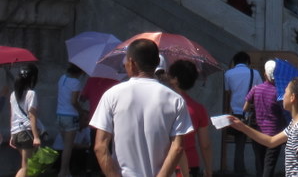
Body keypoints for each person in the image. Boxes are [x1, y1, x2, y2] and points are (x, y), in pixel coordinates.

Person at [90, 39, 192, 177]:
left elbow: (100, 146)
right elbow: (178, 147)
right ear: (157, 62)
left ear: (131, 63)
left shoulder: (111, 95)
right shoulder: (175, 100)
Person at [229, 76, 298, 177]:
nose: (282, 96)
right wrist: (242, 127)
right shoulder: (297, 124)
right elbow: (271, 141)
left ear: (293, 97)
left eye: (285, 92)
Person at [166, 60, 213, 177]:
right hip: (191, 163)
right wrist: (208, 169)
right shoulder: (198, 108)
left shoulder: (163, 105)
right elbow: (205, 144)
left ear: (175, 79)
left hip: (165, 163)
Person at [244, 60, 287, 177]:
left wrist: (256, 106)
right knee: (269, 166)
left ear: (265, 74)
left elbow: (245, 108)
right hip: (275, 134)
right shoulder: (279, 92)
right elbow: (284, 111)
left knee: (259, 164)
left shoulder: (255, 89)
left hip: (257, 133)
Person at [224, 51, 263, 176]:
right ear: (247, 62)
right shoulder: (255, 73)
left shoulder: (228, 74)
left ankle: (239, 171)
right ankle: (260, 171)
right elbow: (260, 92)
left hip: (235, 113)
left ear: (235, 62)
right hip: (251, 114)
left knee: (239, 144)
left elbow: (227, 93)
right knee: (257, 144)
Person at [10, 62, 41, 177]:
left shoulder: (13, 94)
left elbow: (12, 115)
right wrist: (36, 137)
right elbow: (32, 115)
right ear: (32, 78)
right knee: (26, 167)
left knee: (25, 165)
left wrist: (12, 134)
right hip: (26, 133)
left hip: (16, 132)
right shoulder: (31, 94)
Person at [57, 63, 86, 177]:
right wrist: (81, 111)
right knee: (68, 147)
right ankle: (63, 172)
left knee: (66, 145)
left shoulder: (62, 78)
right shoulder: (76, 82)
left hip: (60, 114)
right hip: (70, 116)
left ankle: (67, 172)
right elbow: (74, 101)